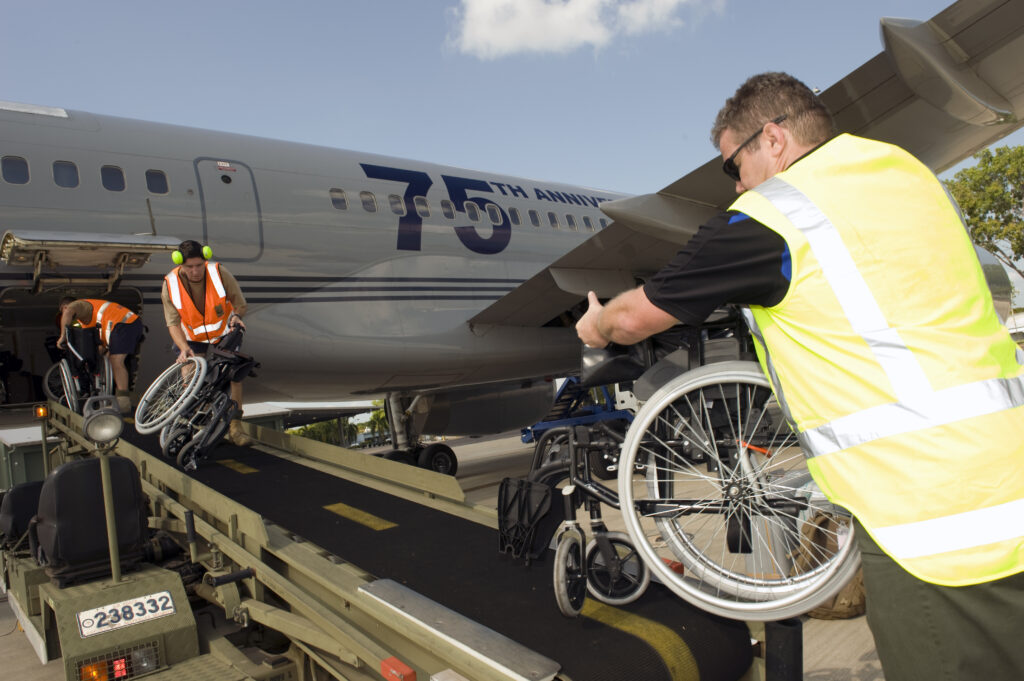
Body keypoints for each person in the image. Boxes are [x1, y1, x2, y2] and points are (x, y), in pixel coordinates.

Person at [576, 72, 1024, 679]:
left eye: (732, 164)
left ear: (775, 139)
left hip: (935, 522)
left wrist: (597, 326)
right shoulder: (903, 171)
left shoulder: (772, 216)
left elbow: (637, 317)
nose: (735, 183)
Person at [161, 239, 252, 447]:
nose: (195, 271)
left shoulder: (220, 273)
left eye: (199, 266)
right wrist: (184, 349)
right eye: (189, 267)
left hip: (223, 330)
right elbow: (172, 323)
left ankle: (236, 427)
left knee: (234, 375)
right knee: (190, 371)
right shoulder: (170, 284)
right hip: (193, 336)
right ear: (180, 265)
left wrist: (236, 317)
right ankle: (190, 418)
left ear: (205, 260)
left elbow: (240, 304)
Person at [57, 297, 143, 413]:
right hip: (122, 326)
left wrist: (63, 336)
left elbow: (68, 311)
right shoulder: (86, 322)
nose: (66, 318)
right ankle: (113, 396)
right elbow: (99, 346)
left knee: (116, 361)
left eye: (63, 314)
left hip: (124, 323)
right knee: (107, 360)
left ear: (65, 307)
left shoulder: (80, 305)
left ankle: (123, 401)